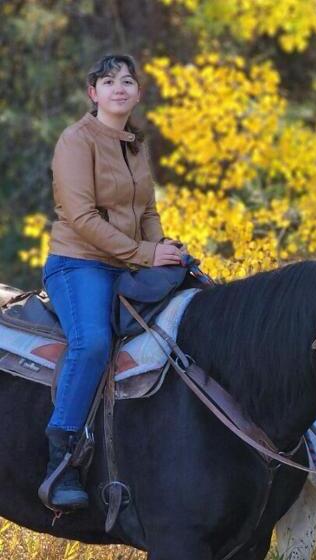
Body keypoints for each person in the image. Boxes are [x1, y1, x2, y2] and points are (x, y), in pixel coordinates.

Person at [40, 54, 184, 510]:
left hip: (130, 263)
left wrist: (163, 253)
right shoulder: (75, 141)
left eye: (127, 81)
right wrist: (145, 253)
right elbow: (80, 218)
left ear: (138, 94)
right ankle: (61, 455)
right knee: (94, 342)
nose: (119, 88)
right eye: (108, 81)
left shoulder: (136, 145)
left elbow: (147, 212)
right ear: (93, 94)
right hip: (78, 263)